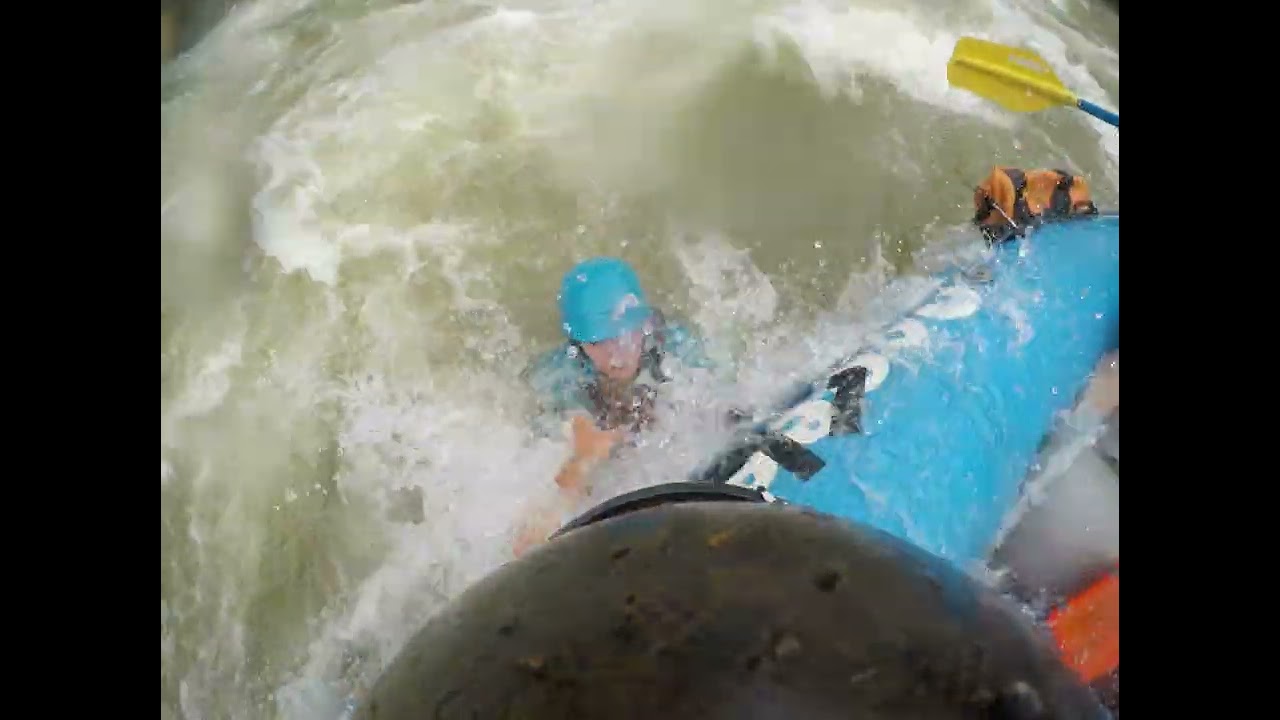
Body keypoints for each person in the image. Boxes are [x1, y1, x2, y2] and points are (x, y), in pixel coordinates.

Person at [513, 256, 715, 554]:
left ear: (644, 324)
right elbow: (529, 540)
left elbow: (724, 413)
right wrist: (582, 462)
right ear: (578, 344)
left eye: (623, 336)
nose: (615, 356)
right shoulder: (559, 382)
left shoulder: (681, 349)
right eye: (597, 343)